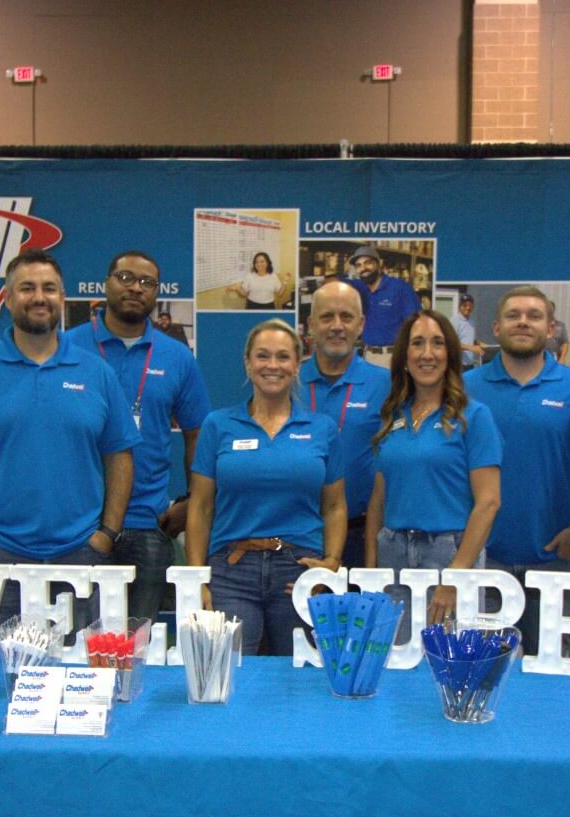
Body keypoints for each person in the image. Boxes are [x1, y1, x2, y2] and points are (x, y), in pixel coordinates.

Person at [0, 248, 138, 627]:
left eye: (49, 288)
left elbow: (120, 456)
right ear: (6, 298)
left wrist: (106, 535)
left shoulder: (96, 372)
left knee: (81, 666)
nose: (39, 297)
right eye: (27, 288)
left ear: (62, 297)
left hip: (81, 557)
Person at [66, 250, 211, 623]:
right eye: (126, 277)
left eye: (147, 282)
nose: (136, 288)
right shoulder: (67, 347)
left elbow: (197, 437)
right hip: (75, 523)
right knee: (74, 640)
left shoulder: (178, 357)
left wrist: (192, 502)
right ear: (106, 284)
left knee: (137, 644)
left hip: (148, 525)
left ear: (157, 293)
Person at [186, 320, 344, 655]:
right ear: (247, 363)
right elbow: (200, 506)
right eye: (262, 356)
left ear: (297, 364)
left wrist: (331, 562)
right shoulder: (218, 425)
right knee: (228, 672)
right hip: (231, 572)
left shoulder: (322, 429)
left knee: (299, 675)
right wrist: (196, 577)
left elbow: (334, 506)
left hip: (299, 570)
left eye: (283, 357)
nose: (273, 365)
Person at [465, 286, 570, 650]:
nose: (523, 322)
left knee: (550, 672)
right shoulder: (465, 388)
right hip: (482, 557)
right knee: (484, 672)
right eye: (513, 315)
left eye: (534, 316)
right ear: (496, 328)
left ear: (551, 329)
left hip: (552, 559)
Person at [367, 310, 502, 627]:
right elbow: (378, 500)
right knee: (396, 652)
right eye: (417, 343)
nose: (427, 353)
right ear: (404, 357)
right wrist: (371, 570)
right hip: (392, 556)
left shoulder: (473, 417)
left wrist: (456, 576)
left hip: (450, 556)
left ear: (450, 355)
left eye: (437, 343)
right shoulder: (391, 417)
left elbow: (489, 502)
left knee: (449, 654)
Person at [299, 280, 392, 566]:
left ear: (361, 324)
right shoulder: (287, 383)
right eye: (327, 317)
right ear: (311, 325)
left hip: (363, 536)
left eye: (346, 317)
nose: (337, 326)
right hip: (297, 536)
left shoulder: (387, 385)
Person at [343, 245, 420, 366]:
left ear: (379, 264)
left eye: (368, 263)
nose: (363, 268)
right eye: (358, 265)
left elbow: (416, 325)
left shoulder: (400, 287)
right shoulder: (361, 287)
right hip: (367, 355)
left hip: (392, 357)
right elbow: (335, 281)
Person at [449, 294, 486, 367]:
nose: (468, 308)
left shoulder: (471, 322)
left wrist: (478, 343)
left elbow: (467, 338)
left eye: (470, 305)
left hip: (470, 364)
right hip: (457, 364)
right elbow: (452, 343)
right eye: (465, 305)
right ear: (459, 306)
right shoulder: (454, 321)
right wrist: (472, 348)